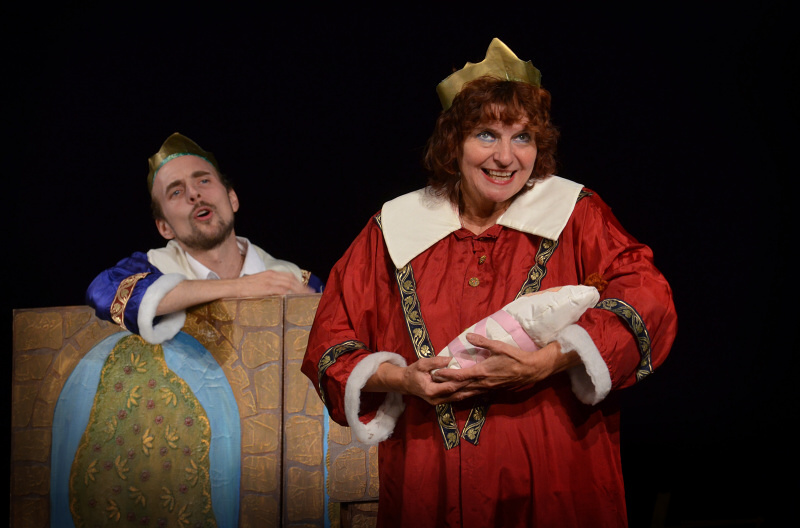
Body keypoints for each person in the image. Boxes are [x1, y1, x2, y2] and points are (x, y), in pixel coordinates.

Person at [301, 38, 677, 527]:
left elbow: (648, 297)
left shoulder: (576, 214)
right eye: (486, 135)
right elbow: (329, 345)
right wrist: (403, 380)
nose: (505, 157)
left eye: (522, 137)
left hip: (554, 478)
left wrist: (549, 360)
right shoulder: (393, 229)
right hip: (429, 482)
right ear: (452, 142)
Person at [87, 132, 323, 344]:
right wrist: (241, 287)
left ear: (232, 199)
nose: (194, 194)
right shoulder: (151, 267)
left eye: (204, 181)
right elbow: (102, 292)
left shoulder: (294, 279)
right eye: (176, 191)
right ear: (164, 227)